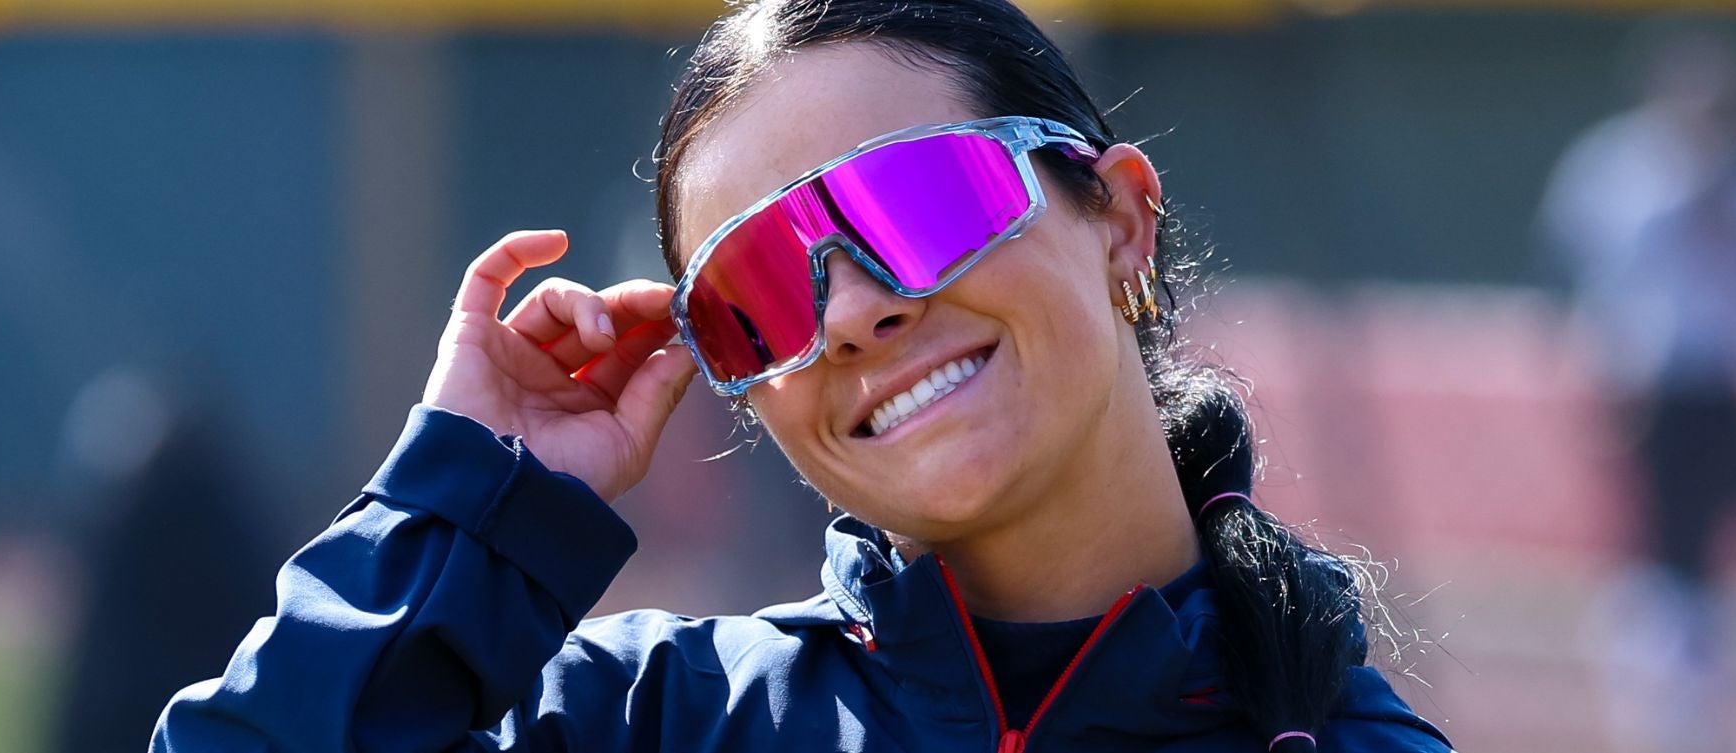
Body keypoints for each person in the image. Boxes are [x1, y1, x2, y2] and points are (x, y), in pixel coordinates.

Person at [148, 1, 1454, 751]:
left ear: (1119, 218)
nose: (853, 314)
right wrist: (474, 511)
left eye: (920, 200)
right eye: (759, 293)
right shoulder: (644, 724)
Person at [1538, 17, 1736, 753]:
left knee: (1710, 552)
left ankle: (1699, 702)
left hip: (1731, 384)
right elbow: (1588, 276)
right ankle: (1655, 703)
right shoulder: (1617, 168)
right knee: (1655, 550)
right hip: (1648, 383)